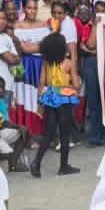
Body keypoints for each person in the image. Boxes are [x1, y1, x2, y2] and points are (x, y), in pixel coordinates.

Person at [33, 28, 82, 176]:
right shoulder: (68, 63)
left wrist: (40, 102)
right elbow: (77, 83)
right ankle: (63, 166)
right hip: (64, 98)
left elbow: (41, 83)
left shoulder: (46, 63)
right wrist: (75, 85)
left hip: (50, 97)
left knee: (49, 132)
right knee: (65, 133)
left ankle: (36, 162)